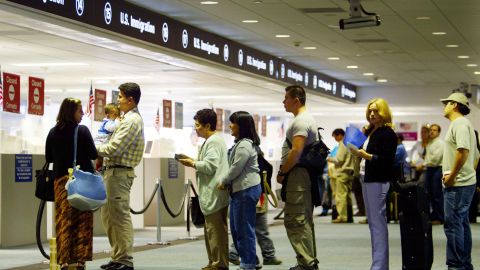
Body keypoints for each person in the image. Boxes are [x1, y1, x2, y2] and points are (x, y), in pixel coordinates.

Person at [45, 97, 97, 270]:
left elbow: (49, 157)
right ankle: (81, 260)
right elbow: (93, 153)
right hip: (82, 182)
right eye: (80, 110)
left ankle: (64, 261)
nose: (83, 114)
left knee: (63, 220)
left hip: (61, 182)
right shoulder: (82, 131)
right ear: (71, 112)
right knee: (83, 220)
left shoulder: (52, 132)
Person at [98, 83, 145, 270]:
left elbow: (114, 148)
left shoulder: (132, 120)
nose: (118, 101)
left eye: (120, 97)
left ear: (130, 99)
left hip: (119, 172)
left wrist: (92, 148)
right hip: (112, 171)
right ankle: (118, 256)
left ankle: (125, 260)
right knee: (109, 217)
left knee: (120, 216)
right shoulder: (125, 119)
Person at [178, 109, 230, 270]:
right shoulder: (213, 141)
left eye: (198, 125)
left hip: (214, 193)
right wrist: (194, 160)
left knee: (216, 231)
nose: (196, 129)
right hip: (212, 192)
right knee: (211, 231)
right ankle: (214, 261)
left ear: (208, 125)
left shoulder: (214, 141)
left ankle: (219, 264)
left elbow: (210, 166)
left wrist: (192, 163)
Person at [350, 98, 397, 270]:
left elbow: (387, 160)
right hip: (366, 178)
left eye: (376, 111)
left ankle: (379, 266)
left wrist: (366, 155)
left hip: (378, 180)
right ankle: (378, 264)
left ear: (383, 112)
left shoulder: (388, 133)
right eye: (370, 111)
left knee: (378, 224)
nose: (372, 114)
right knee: (373, 224)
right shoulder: (370, 131)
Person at [277, 85, 319, 270]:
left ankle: (307, 262)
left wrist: (282, 172)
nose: (283, 101)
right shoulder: (303, 119)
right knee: (302, 219)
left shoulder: (301, 121)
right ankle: (307, 260)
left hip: (297, 177)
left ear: (296, 99)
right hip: (301, 177)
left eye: (286, 98)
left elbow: (296, 151)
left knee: (296, 220)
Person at [440, 92, 479, 270]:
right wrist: (468, 173)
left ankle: (456, 266)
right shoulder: (463, 125)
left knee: (453, 225)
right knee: (461, 223)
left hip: (457, 184)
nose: (444, 106)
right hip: (463, 182)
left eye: (446, 103)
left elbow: (462, 151)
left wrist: (454, 176)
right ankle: (464, 265)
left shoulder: (460, 124)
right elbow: (476, 156)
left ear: (454, 105)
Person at [218, 111, 262, 270]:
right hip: (241, 190)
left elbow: (236, 167)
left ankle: (248, 263)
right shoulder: (240, 143)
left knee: (243, 229)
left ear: (241, 126)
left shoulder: (244, 144)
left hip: (245, 190)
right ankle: (251, 260)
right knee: (239, 229)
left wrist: (223, 180)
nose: (230, 125)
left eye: (233, 123)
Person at [228, 147, 282, 268]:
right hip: (257, 198)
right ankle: (267, 256)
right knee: (256, 229)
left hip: (250, 197)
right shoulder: (261, 165)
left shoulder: (249, 164)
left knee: (245, 228)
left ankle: (236, 253)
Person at [327, 128, 354, 223]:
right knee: (347, 196)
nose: (335, 139)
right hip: (349, 173)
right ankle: (349, 216)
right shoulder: (350, 143)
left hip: (341, 173)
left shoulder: (343, 143)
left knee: (340, 196)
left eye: (335, 137)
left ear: (339, 135)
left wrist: (329, 158)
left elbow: (339, 160)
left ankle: (342, 216)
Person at [424, 123, 444, 225]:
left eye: (434, 130)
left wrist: (425, 163)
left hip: (437, 169)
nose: (431, 132)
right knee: (429, 194)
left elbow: (435, 159)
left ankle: (440, 217)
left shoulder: (441, 143)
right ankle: (434, 215)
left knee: (437, 194)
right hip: (430, 169)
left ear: (439, 132)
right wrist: (426, 163)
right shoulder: (429, 143)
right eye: (431, 130)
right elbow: (427, 159)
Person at [95, 103, 121, 171]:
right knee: (100, 156)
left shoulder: (111, 121)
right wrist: (117, 120)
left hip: (103, 141)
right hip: (101, 141)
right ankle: (98, 168)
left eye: (118, 114)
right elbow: (112, 128)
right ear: (108, 115)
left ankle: (99, 168)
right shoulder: (108, 122)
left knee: (102, 157)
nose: (117, 116)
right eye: (115, 114)